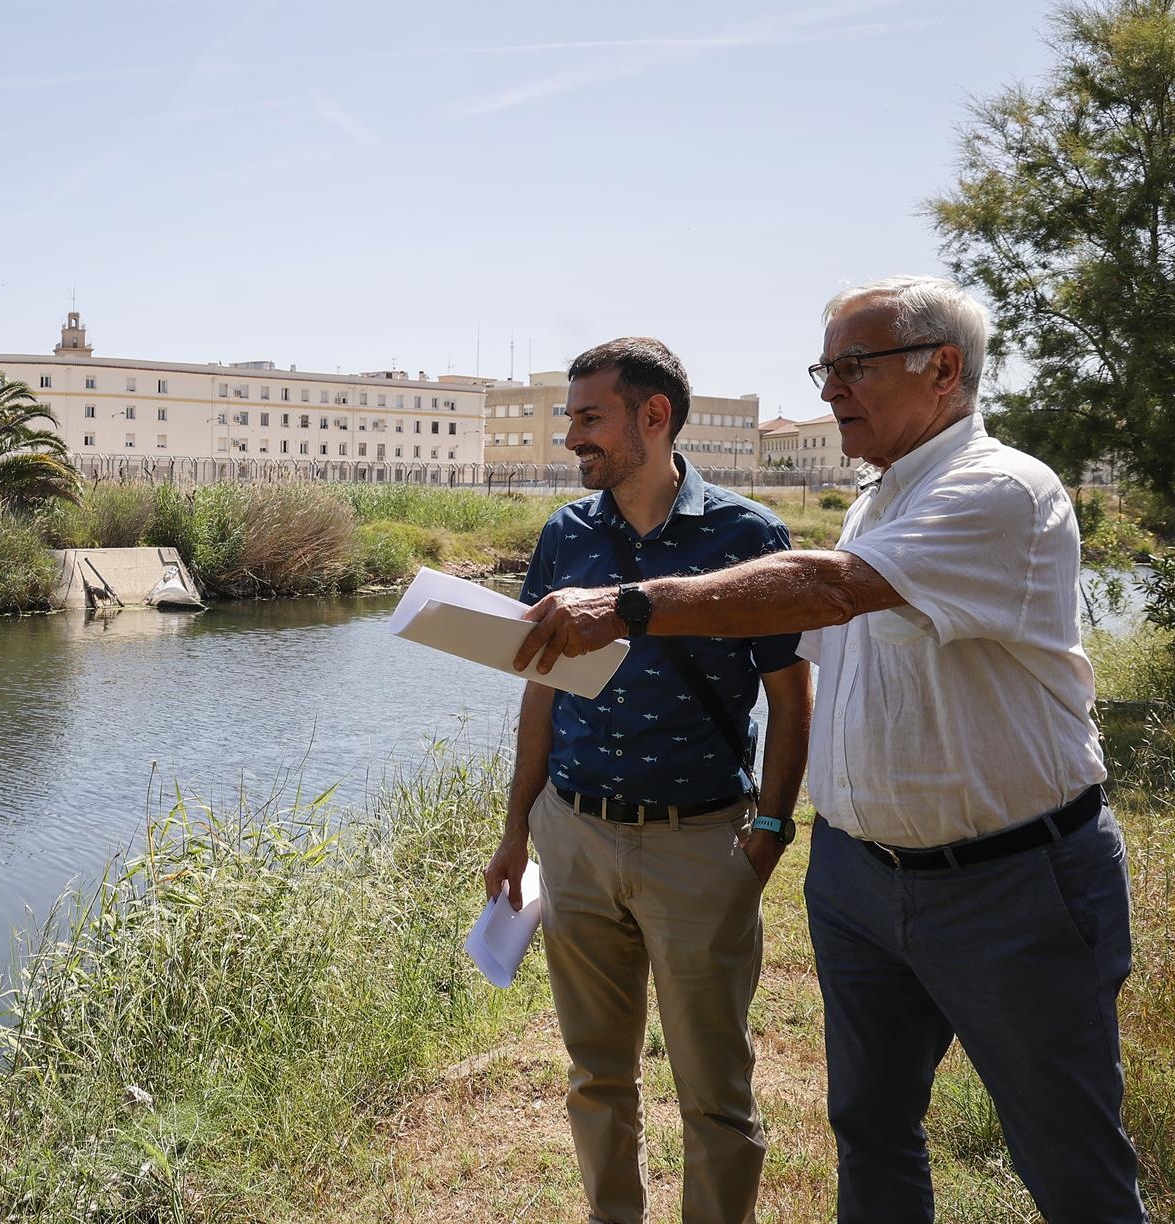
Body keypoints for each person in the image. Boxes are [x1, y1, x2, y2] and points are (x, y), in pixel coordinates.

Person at [514, 277, 1145, 1223]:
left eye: (854, 367)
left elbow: (826, 593)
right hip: (859, 883)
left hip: (1007, 887)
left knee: (1067, 1155)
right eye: (826, 367)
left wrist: (631, 607)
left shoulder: (999, 490)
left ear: (942, 370)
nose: (830, 390)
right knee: (874, 1133)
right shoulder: (878, 497)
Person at [484, 337, 812, 1224]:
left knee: (716, 1095)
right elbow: (541, 691)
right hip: (574, 838)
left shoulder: (750, 535)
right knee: (597, 1077)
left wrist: (771, 833)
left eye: (588, 419)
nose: (571, 440)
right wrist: (519, 829)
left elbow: (791, 696)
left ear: (653, 416)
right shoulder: (564, 534)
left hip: (700, 845)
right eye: (570, 422)